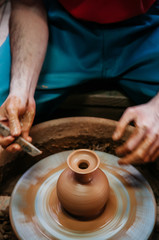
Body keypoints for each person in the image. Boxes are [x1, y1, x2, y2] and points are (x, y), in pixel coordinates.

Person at [0, 0, 159, 165]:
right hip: (63, 25)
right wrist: (21, 91)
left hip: (148, 26)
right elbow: (28, 5)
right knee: (5, 112)